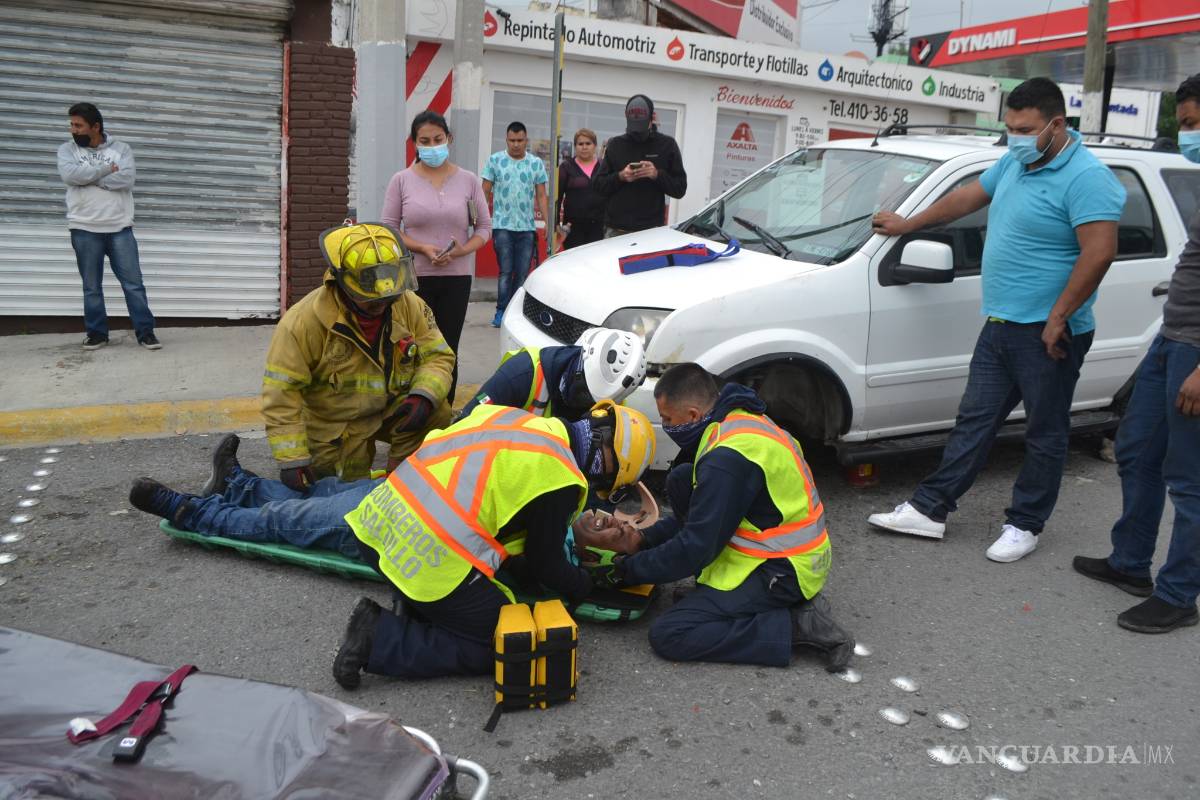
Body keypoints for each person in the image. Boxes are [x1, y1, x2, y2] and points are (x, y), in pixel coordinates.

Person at [866, 77, 1126, 563]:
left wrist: (1059, 316)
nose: (1015, 138)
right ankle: (930, 509)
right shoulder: (1015, 162)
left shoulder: (1088, 177)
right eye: (1010, 128)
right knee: (974, 421)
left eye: (1025, 130)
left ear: (1056, 124)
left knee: (1044, 433)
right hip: (1002, 323)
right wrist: (909, 223)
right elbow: (967, 197)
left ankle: (1024, 524)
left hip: (1050, 331)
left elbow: (1099, 252)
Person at [584, 363, 854, 671]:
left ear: (693, 415)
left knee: (670, 634)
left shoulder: (727, 461)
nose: (666, 425)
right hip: (769, 549)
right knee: (682, 479)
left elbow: (695, 547)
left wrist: (625, 571)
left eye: (668, 419)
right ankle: (721, 597)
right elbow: (699, 520)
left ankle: (796, 625)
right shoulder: (732, 419)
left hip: (786, 569)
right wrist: (644, 540)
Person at [1072, 74, 1200, 634]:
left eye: (1192, 123)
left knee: (1189, 480)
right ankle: (1130, 562)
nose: (1186, 134)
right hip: (1172, 338)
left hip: (1195, 352)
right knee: (1136, 449)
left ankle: (1178, 595)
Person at [261, 223, 454, 490]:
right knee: (341, 497)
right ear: (343, 284)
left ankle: (404, 484)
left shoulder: (407, 304)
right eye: (371, 298)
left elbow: (438, 356)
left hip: (390, 409)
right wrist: (292, 459)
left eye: (388, 296)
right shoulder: (302, 323)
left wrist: (424, 395)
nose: (382, 304)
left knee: (437, 411)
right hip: (337, 427)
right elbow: (282, 393)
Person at [381, 111, 492, 403]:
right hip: (415, 279)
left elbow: (484, 227)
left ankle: (443, 411)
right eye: (425, 141)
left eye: (438, 139)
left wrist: (462, 250)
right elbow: (389, 228)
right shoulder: (401, 180)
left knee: (447, 347)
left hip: (457, 278)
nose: (432, 146)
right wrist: (422, 247)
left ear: (449, 139)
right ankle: (413, 409)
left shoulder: (468, 181)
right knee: (414, 347)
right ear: (415, 143)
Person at [57, 102, 160, 351]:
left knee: (134, 284)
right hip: (84, 228)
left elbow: (127, 178)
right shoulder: (67, 150)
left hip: (119, 227)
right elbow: (70, 176)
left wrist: (89, 178)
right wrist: (105, 170)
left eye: (78, 125)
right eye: (72, 125)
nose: (73, 130)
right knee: (91, 287)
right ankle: (97, 334)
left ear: (95, 127)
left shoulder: (121, 149)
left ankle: (145, 333)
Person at [456, 327, 646, 422]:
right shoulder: (521, 374)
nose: (583, 401)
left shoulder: (612, 402)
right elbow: (465, 423)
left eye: (591, 399)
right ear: (579, 362)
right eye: (583, 390)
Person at [481, 122, 548, 328]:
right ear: (506, 140)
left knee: (521, 273)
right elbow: (484, 192)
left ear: (526, 140)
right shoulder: (495, 161)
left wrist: (547, 222)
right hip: (502, 226)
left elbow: (541, 195)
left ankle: (515, 312)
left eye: (520, 140)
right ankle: (501, 311)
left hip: (527, 228)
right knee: (505, 271)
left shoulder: (535, 163)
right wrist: (482, 222)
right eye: (512, 140)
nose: (516, 144)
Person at [592, 95, 687, 237]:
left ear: (652, 117)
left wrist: (656, 175)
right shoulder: (615, 144)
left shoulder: (667, 145)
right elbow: (598, 185)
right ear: (626, 116)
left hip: (651, 231)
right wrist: (620, 176)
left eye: (641, 126)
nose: (637, 131)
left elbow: (680, 189)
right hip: (617, 229)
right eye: (634, 126)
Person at [556, 128, 606, 249]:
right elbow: (557, 197)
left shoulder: (604, 166)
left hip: (599, 227)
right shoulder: (566, 167)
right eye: (580, 144)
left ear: (595, 146)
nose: (584, 147)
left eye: (588, 143)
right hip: (573, 227)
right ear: (575, 146)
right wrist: (555, 224)